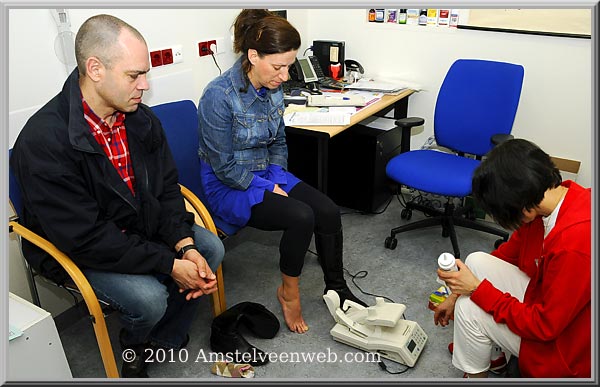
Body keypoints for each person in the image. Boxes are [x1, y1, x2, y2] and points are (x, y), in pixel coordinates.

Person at [10, 14, 225, 378]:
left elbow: (167, 189)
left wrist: (185, 246)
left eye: (146, 73)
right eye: (134, 75)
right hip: (81, 246)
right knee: (148, 299)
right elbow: (86, 237)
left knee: (209, 249)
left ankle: (166, 337)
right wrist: (170, 264)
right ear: (95, 68)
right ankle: (135, 344)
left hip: (136, 225)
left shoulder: (139, 119)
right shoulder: (43, 142)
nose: (145, 85)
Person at [196, 9, 366, 334]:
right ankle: (289, 294)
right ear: (252, 56)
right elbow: (223, 165)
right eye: (278, 66)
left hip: (265, 171)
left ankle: (337, 287)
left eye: (289, 65)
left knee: (328, 211)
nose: (285, 76)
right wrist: (260, 187)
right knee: (300, 216)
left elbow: (278, 142)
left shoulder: (273, 88)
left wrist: (275, 178)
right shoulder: (218, 97)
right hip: (229, 183)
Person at [434, 139, 590, 378]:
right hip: (552, 305)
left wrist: (475, 291)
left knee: (469, 308)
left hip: (567, 348)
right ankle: (495, 356)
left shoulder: (574, 244)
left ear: (522, 207)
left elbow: (544, 327)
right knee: (476, 261)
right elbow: (504, 257)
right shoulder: (551, 204)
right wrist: (456, 293)